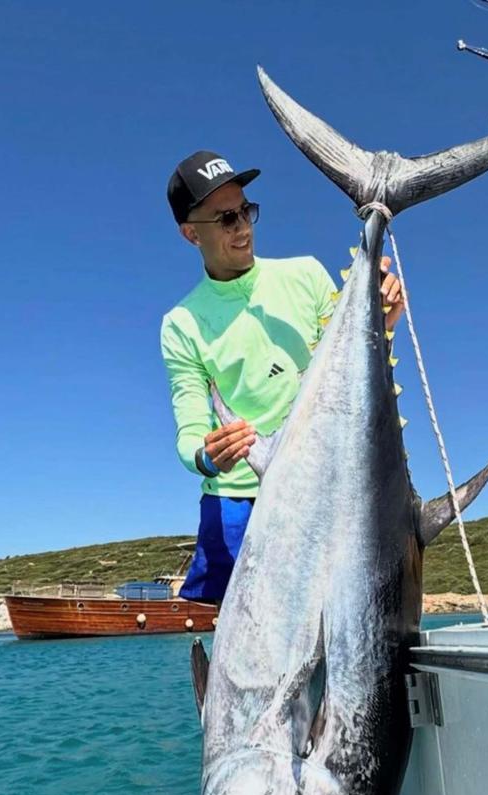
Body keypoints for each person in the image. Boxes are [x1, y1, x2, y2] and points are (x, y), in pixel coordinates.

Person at [160, 150, 403, 602]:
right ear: (191, 234)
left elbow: (346, 378)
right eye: (225, 218)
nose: (242, 226)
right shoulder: (182, 322)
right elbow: (190, 423)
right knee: (242, 645)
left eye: (245, 210)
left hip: (318, 487)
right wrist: (206, 454)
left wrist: (383, 321)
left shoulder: (306, 274)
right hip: (236, 499)